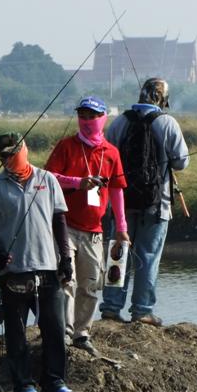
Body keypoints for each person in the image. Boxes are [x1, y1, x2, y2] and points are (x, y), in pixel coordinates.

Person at [0, 132, 76, 392]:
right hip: (13, 272)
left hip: (48, 268)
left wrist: (65, 258)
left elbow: (59, 221)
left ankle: (55, 381)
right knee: (16, 332)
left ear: (25, 150)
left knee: (54, 329)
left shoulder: (48, 180)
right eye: (3, 156)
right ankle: (23, 384)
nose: (9, 159)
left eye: (13, 153)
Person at [100, 77, 189, 326]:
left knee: (118, 255)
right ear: (163, 98)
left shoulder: (120, 122)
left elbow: (107, 157)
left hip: (120, 203)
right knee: (148, 256)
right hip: (156, 203)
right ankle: (142, 311)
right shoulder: (167, 123)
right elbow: (182, 162)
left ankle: (110, 307)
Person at [44, 96, 129, 355]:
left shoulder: (111, 153)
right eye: (83, 115)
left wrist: (122, 227)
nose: (87, 121)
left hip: (95, 230)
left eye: (92, 116)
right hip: (65, 226)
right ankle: (66, 332)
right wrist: (78, 182)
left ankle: (82, 332)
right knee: (66, 280)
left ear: (102, 118)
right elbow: (50, 178)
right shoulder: (66, 146)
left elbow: (117, 190)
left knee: (91, 284)